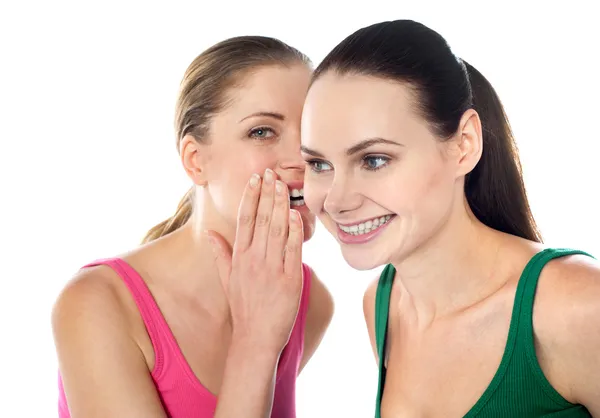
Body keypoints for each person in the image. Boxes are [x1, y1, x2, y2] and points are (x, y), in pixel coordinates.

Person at [300, 19, 600, 417]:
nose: (335, 200)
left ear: (464, 145)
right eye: (319, 164)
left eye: (374, 160)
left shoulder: (577, 306)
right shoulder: (382, 305)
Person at [52, 35, 333, 418]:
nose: (300, 159)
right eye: (262, 131)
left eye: (311, 134)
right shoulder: (95, 305)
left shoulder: (310, 301)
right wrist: (256, 341)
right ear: (195, 160)